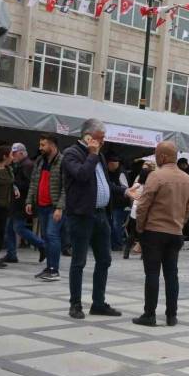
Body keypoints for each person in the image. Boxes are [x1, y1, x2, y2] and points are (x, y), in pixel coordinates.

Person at [63, 119, 134, 318]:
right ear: (88, 136)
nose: (102, 142)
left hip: (101, 215)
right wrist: (92, 154)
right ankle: (75, 304)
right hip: (82, 215)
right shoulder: (71, 154)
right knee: (79, 261)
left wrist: (126, 191)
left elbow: (106, 185)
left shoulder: (99, 156)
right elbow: (82, 175)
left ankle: (98, 302)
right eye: (100, 138)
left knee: (104, 259)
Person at [133, 141, 189, 327]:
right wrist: (179, 225)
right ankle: (171, 315)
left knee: (152, 274)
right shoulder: (187, 179)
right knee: (171, 274)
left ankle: (149, 315)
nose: (156, 158)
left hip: (154, 231)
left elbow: (143, 205)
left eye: (157, 155)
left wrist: (140, 228)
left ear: (163, 157)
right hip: (175, 233)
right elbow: (188, 208)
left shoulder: (156, 176)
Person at [25, 134, 66, 280]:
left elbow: (65, 188)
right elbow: (34, 182)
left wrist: (60, 207)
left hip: (54, 207)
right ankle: (49, 268)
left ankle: (54, 270)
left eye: (43, 145)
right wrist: (29, 201)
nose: (40, 147)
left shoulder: (62, 161)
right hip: (41, 205)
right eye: (40, 144)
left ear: (52, 145)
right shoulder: (40, 161)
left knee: (52, 235)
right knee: (46, 237)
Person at [3, 143, 45, 264]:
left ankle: (42, 245)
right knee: (10, 228)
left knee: (18, 227)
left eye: (15, 154)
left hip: (21, 203)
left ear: (21, 153)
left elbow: (30, 185)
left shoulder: (27, 165)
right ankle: (11, 254)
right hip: (17, 202)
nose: (13, 156)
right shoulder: (22, 164)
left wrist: (14, 184)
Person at [125, 162, 155, 259]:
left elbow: (129, 191)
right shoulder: (149, 187)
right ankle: (143, 255)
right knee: (143, 233)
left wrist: (133, 198)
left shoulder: (137, 185)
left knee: (132, 233)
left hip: (134, 210)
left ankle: (126, 253)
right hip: (144, 212)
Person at [106, 153, 130, 254]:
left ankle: (118, 245)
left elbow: (125, 189)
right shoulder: (113, 171)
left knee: (116, 224)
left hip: (121, 205)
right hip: (114, 204)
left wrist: (113, 187)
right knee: (114, 224)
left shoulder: (121, 173)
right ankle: (115, 244)